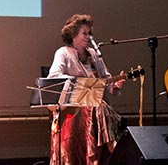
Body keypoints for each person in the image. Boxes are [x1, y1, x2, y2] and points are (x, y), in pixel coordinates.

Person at [46, 13, 126, 165]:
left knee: (99, 105)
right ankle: (114, 149)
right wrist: (81, 83)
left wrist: (115, 84)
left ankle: (111, 148)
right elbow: (54, 76)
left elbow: (105, 80)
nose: (88, 36)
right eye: (84, 33)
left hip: (94, 112)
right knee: (100, 106)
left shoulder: (93, 55)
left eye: (89, 33)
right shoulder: (63, 53)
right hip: (73, 112)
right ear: (73, 34)